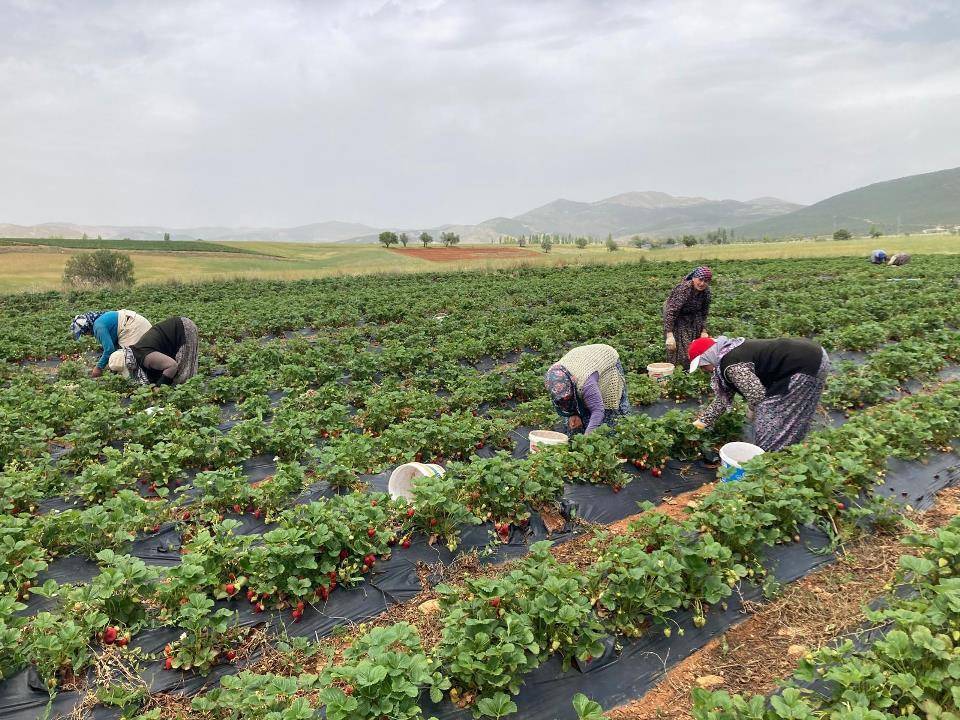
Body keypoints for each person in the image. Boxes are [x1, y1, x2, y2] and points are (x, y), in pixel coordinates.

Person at [688, 335, 830, 452]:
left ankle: (770, 460)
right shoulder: (729, 351)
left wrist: (752, 408)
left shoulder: (730, 364)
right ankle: (788, 453)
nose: (703, 370)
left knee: (770, 414)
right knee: (793, 416)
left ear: (708, 356)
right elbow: (724, 399)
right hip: (815, 357)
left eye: (702, 365)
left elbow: (756, 394)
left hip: (804, 365)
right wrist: (702, 422)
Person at [544, 343, 630, 435]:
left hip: (605, 357)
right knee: (576, 419)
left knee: (610, 413)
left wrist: (587, 438)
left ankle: (621, 432)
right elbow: (566, 400)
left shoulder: (586, 383)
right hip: (582, 357)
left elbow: (598, 411)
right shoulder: (552, 377)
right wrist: (573, 414)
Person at [107, 316, 199, 386]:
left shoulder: (146, 357)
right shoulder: (133, 353)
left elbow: (172, 366)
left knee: (183, 373)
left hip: (183, 328)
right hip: (172, 331)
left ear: (129, 363)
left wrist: (159, 386)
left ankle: (189, 392)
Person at [71, 310, 152, 378]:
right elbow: (114, 346)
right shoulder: (100, 320)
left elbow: (109, 349)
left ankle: (137, 382)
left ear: (86, 328)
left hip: (134, 327)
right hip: (136, 322)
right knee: (134, 355)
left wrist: (98, 368)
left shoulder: (98, 327)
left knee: (128, 359)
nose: (87, 335)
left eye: (85, 333)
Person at [663, 266, 712, 370]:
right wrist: (669, 334)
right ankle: (678, 372)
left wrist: (704, 330)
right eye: (700, 279)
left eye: (706, 281)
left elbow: (704, 312)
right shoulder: (684, 289)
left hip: (694, 317)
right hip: (678, 316)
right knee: (680, 350)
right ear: (694, 278)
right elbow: (671, 311)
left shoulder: (706, 292)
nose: (702, 283)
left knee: (696, 347)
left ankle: (693, 370)